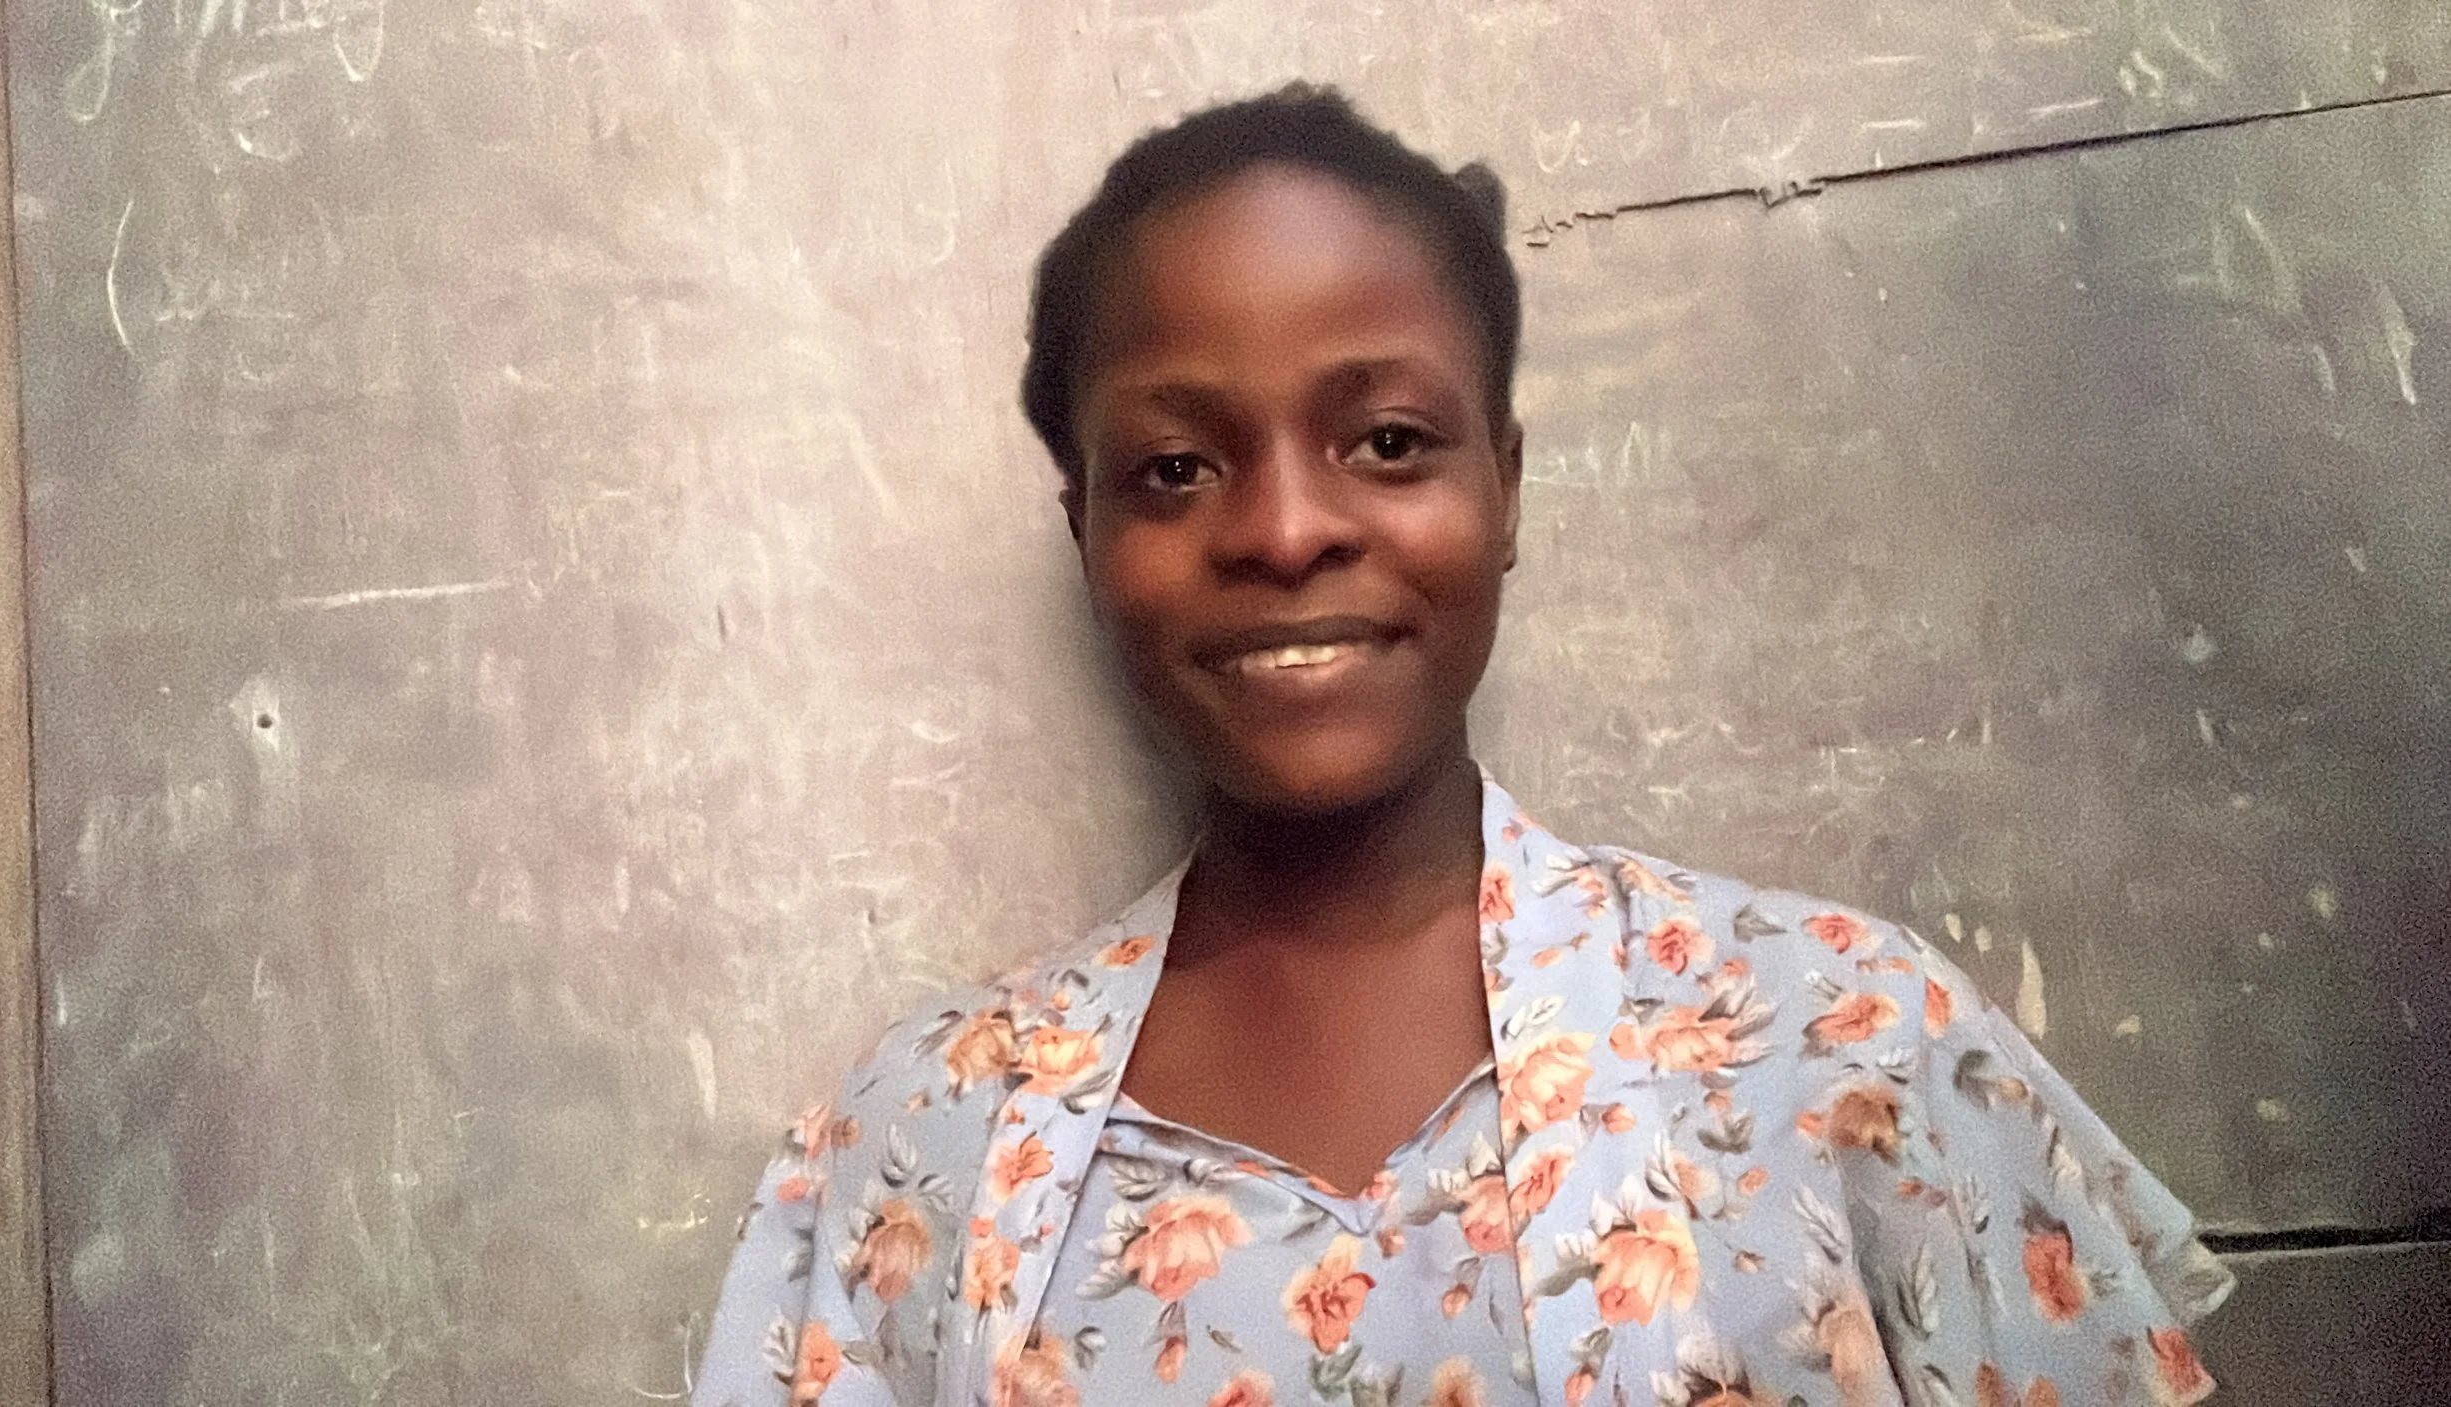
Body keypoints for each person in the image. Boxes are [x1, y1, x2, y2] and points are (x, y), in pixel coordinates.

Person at [692, 86, 2233, 1407]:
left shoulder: (1844, 1043)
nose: (1286, 529)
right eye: (1175, 466)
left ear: (1504, 487)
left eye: (1387, 441)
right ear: (1086, 529)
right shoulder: (920, 1140)